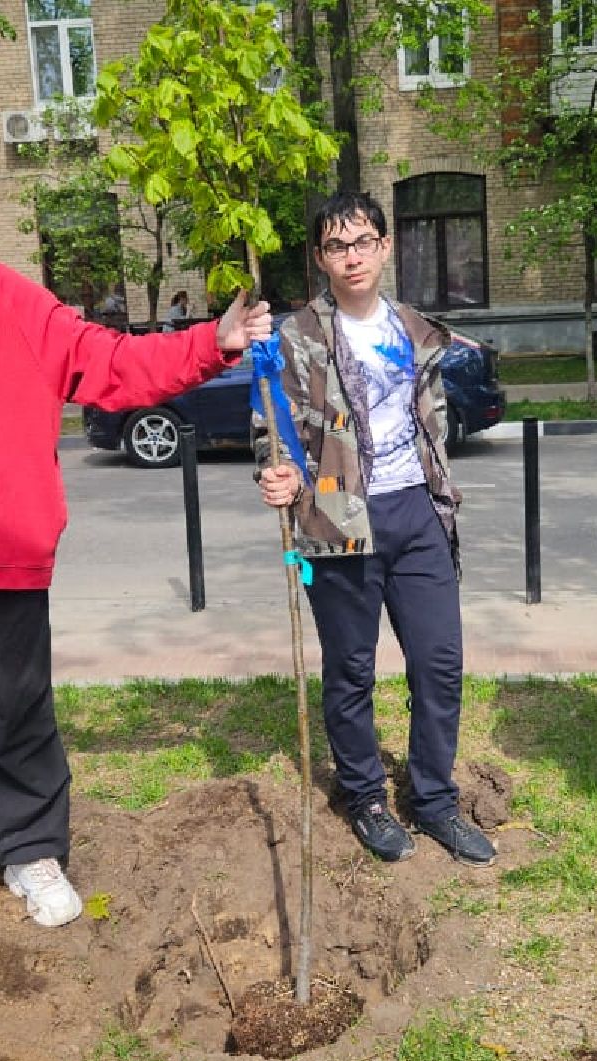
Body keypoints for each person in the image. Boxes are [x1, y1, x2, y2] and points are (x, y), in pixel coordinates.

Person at [0, 112, 270, 927]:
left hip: (5, 542)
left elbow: (109, 362)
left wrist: (215, 341)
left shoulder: (8, 296)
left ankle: (31, 848)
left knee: (19, 705)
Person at [254, 192, 495, 869]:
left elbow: (431, 421)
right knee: (353, 670)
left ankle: (434, 800)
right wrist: (278, 473)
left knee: (439, 664)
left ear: (385, 247)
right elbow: (272, 424)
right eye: (336, 246)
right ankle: (363, 796)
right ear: (321, 258)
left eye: (362, 242)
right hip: (338, 511)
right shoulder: (297, 334)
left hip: (416, 510)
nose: (351, 256)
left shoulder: (417, 329)